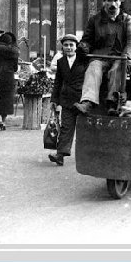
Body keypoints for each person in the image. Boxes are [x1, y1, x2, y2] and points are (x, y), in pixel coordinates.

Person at [73, 0, 131, 116]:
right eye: (109, 1)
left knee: (117, 69)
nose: (112, 4)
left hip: (120, 57)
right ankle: (87, 102)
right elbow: (87, 40)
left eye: (115, 0)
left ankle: (113, 103)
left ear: (120, 3)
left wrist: (128, 57)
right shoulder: (95, 20)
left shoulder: (126, 20)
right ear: (104, 3)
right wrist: (83, 47)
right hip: (100, 56)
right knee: (93, 67)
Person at [48, 34, 87, 166]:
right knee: (66, 127)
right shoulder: (61, 62)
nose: (69, 47)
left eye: (71, 45)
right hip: (67, 100)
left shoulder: (84, 61)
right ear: (62, 47)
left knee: (85, 129)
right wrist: (54, 99)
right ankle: (60, 155)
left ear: (76, 47)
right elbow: (58, 82)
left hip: (83, 101)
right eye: (66, 45)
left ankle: (88, 156)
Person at [0, 32, 20, 131]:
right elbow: (15, 68)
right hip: (8, 78)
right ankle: (4, 121)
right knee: (6, 100)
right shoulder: (14, 53)